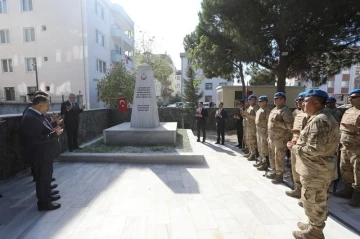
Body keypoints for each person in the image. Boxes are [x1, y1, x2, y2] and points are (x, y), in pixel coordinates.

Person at [287, 89, 340, 239]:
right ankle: (312, 224)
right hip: (315, 169)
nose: (302, 104)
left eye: (305, 101)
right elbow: (315, 143)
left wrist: (294, 147)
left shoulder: (320, 120)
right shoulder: (318, 117)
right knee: (311, 199)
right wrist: (300, 142)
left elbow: (315, 149)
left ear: (316, 103)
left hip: (317, 171)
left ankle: (315, 232)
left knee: (316, 202)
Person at [22, 95, 63, 211]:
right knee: (42, 179)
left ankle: (47, 197)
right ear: (40, 105)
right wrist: (54, 134)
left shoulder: (37, 114)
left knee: (46, 177)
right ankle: (44, 203)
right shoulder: (30, 117)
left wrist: (54, 127)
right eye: (47, 105)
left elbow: (44, 128)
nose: (48, 108)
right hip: (40, 154)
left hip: (45, 153)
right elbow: (36, 139)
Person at [333, 89, 360, 207]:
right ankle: (347, 189)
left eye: (354, 97)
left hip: (357, 148)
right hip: (345, 146)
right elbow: (342, 128)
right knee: (344, 168)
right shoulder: (348, 111)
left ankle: (357, 194)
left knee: (358, 171)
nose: (350, 99)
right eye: (350, 97)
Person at [267, 92, 293, 184]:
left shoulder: (285, 111)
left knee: (279, 157)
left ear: (283, 100)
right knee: (272, 156)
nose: (274, 99)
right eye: (274, 98)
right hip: (272, 137)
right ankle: (274, 171)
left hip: (280, 139)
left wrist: (278, 123)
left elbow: (290, 126)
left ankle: (279, 175)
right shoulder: (274, 109)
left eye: (277, 98)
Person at [286, 92, 308, 199]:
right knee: (295, 168)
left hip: (303, 147)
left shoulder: (311, 115)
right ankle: (298, 189)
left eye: (301, 100)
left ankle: (305, 195)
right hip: (295, 144)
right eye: (298, 100)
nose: (299, 102)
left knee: (303, 170)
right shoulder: (298, 114)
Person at [254, 95, 271, 170]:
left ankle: (265, 163)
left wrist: (268, 133)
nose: (260, 102)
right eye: (259, 101)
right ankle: (261, 160)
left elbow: (269, 123)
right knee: (260, 147)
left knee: (264, 149)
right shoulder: (259, 110)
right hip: (258, 131)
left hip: (264, 132)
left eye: (261, 101)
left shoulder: (267, 110)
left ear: (266, 102)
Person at [242, 95, 259, 161]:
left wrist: (248, 115)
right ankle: (250, 151)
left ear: (254, 100)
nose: (249, 101)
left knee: (253, 141)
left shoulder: (256, 108)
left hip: (253, 127)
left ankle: (254, 154)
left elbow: (257, 118)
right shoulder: (249, 107)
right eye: (248, 99)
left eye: (250, 99)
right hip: (248, 127)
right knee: (248, 140)